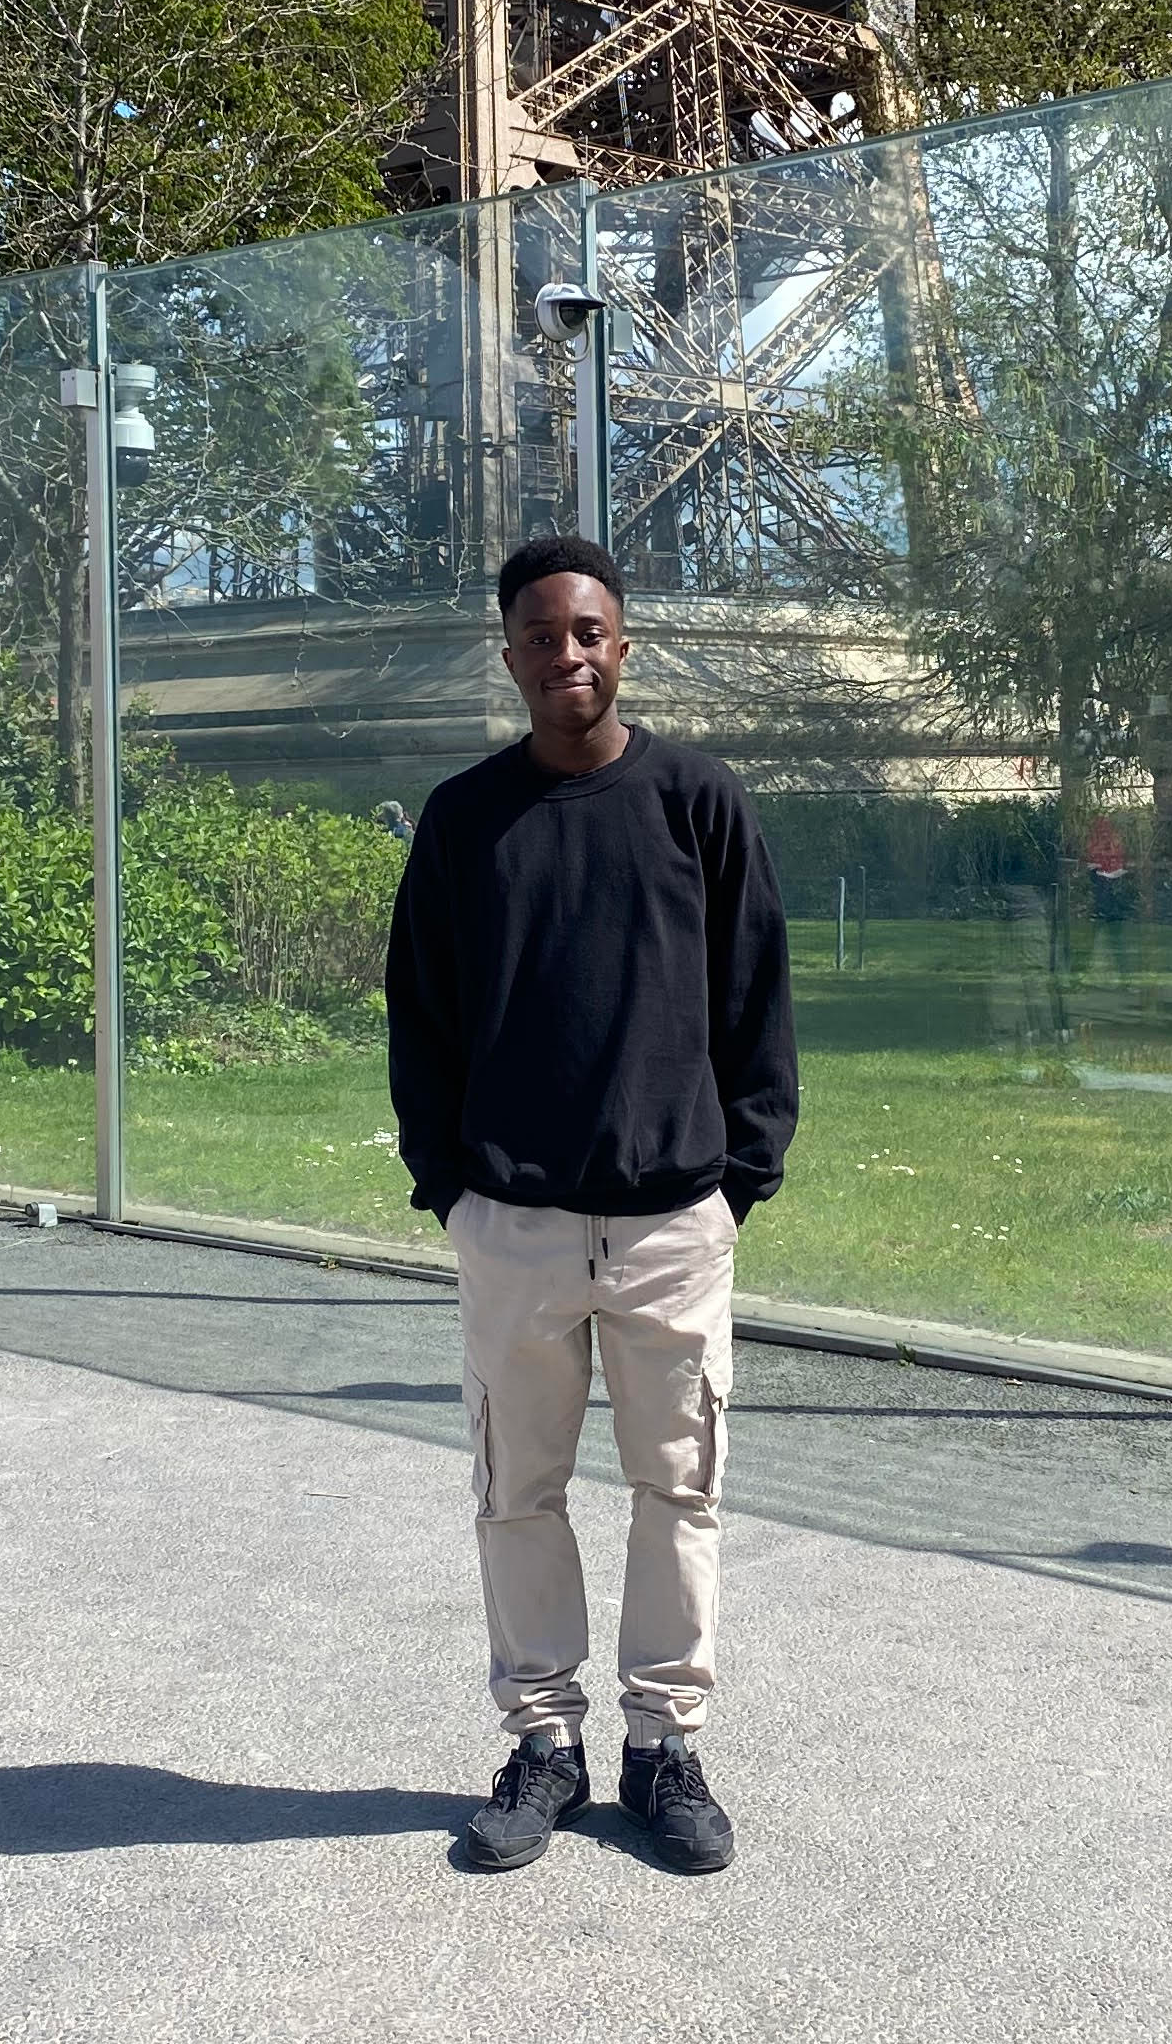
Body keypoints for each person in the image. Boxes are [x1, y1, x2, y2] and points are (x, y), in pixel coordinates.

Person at [386, 531, 798, 1879]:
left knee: (680, 1491)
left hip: (674, 1222)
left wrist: (737, 1183)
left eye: (590, 631)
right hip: (513, 1225)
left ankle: (665, 1747)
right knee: (521, 1493)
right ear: (508, 655)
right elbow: (422, 1022)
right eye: (543, 635)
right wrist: (452, 1190)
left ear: (624, 644)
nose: (568, 654)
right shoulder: (464, 822)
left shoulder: (698, 800)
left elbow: (756, 1002)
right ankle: (544, 1746)